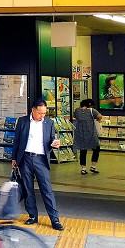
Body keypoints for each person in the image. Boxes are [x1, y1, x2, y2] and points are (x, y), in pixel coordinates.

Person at [11, 100, 64, 231]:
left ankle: (54, 219)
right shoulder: (22, 121)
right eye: (40, 113)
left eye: (44, 113)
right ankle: (32, 216)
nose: (42, 116)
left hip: (41, 160)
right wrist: (14, 158)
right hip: (25, 159)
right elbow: (16, 141)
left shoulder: (49, 123)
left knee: (47, 190)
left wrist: (55, 143)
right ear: (33, 110)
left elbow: (52, 139)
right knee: (28, 189)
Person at [71, 99, 102, 175]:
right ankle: (93, 166)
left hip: (80, 133)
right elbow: (99, 116)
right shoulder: (92, 110)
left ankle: (83, 168)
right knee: (96, 148)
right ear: (90, 105)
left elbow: (74, 118)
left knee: (83, 150)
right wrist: (98, 120)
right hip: (91, 133)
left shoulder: (77, 110)